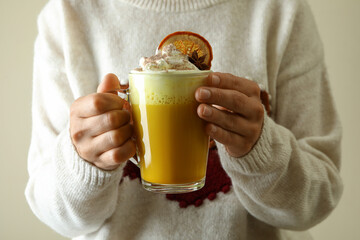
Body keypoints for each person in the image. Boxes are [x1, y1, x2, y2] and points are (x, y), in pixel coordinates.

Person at [25, 0, 343, 239]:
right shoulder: (67, 15)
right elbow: (53, 211)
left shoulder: (280, 10)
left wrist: (260, 150)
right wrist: (84, 163)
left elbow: (318, 198)